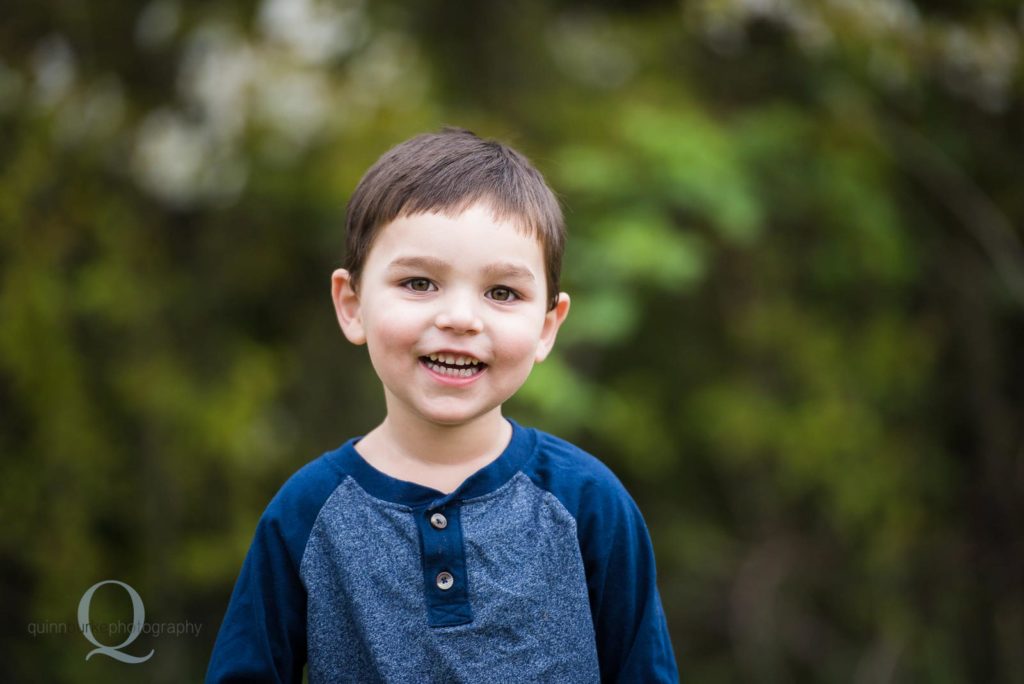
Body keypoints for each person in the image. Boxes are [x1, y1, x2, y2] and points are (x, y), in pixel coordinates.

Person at [205, 128, 678, 683]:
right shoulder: (307, 515)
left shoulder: (587, 503)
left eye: (502, 293)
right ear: (352, 304)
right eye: (420, 282)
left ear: (548, 326)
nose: (460, 318)